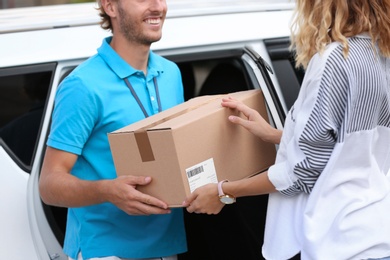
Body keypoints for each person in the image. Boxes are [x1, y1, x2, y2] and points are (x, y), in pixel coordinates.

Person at [183, 0, 390, 259]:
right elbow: (347, 145)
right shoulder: (380, 55)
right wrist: (274, 135)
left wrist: (224, 191)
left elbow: (300, 174)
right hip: (375, 231)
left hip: (338, 239)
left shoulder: (335, 60)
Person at [39, 0, 187, 259]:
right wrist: (107, 190)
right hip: (106, 252)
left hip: (166, 248)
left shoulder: (171, 73)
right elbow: (49, 184)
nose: (157, 6)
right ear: (110, 6)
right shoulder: (82, 85)